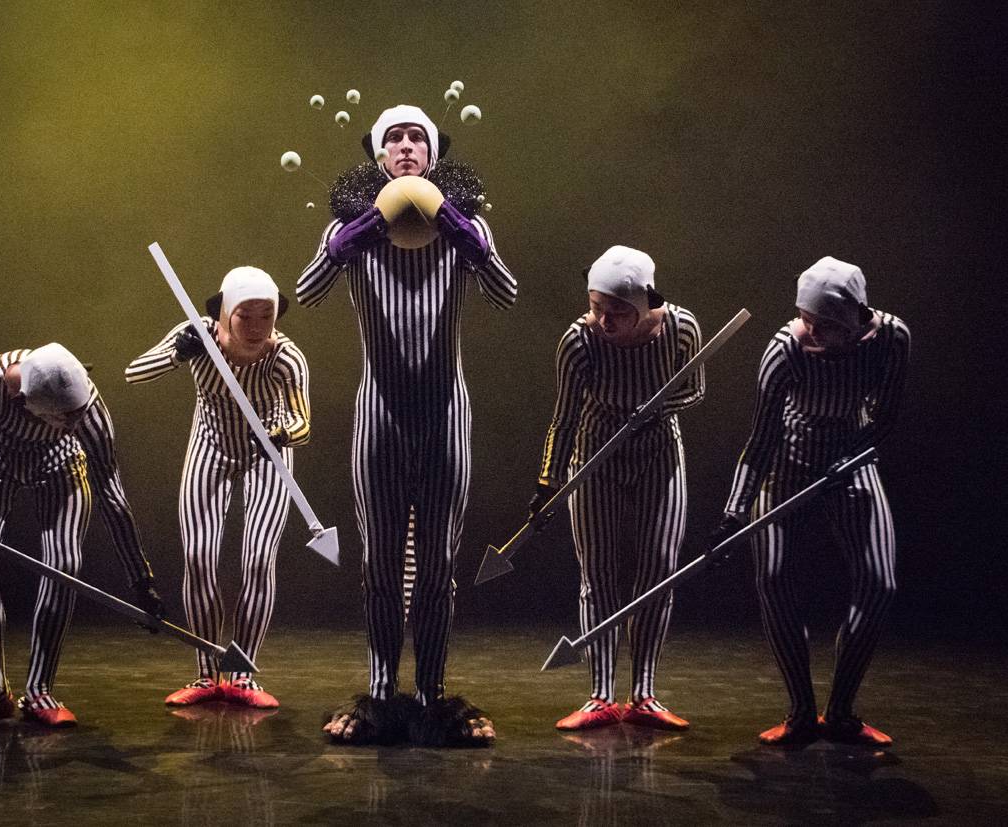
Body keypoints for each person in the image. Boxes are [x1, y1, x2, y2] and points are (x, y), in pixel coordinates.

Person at [298, 104, 516, 745]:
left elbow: (506, 292)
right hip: (381, 414)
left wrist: (456, 227)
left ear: (432, 154)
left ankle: (432, 693)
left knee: (440, 560)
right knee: (381, 563)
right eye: (392, 138)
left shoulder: (465, 228)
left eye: (416, 137)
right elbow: (307, 293)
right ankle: (380, 689)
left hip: (446, 410)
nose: (405, 146)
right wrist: (354, 235)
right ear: (378, 156)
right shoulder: (350, 229)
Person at [711, 256, 909, 746]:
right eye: (805, 318)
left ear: (855, 319)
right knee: (773, 578)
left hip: (852, 463)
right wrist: (733, 513)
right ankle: (801, 712)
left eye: (824, 325)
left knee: (879, 583)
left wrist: (855, 454)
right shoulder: (784, 351)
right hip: (788, 467)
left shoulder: (891, 338)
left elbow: (886, 417)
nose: (810, 331)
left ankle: (841, 712)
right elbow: (760, 440)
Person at [0, 342, 163, 728]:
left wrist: (141, 580)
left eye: (79, 413)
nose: (77, 423)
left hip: (60, 467)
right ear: (25, 401)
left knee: (64, 565)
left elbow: (111, 493)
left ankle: (40, 690)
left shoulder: (87, 409)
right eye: (65, 417)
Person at [535, 246, 703, 733]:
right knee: (599, 576)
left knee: (658, 572)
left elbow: (695, 389)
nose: (603, 321)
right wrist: (547, 481)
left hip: (658, 455)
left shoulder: (680, 328)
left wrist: (655, 409)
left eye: (617, 312)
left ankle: (644, 694)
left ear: (645, 305)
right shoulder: (579, 341)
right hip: (594, 460)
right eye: (595, 307)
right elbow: (563, 417)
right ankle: (601, 695)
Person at [126, 267, 310, 710]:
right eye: (246, 316)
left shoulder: (285, 357)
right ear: (226, 313)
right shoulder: (198, 335)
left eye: (267, 316)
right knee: (199, 556)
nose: (256, 327)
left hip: (266, 457)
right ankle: (207, 673)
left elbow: (303, 422)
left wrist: (280, 435)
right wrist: (178, 352)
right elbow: (134, 373)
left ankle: (242, 674)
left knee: (259, 559)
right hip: (209, 449)